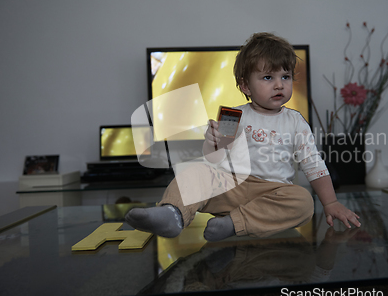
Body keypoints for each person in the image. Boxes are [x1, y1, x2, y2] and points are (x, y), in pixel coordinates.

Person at [126, 32, 361, 241]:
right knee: (194, 172)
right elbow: (215, 160)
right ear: (245, 86)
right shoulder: (234, 115)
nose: (279, 84)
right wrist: (213, 143)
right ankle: (173, 214)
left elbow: (313, 164)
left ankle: (233, 224)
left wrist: (330, 203)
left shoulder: (296, 122)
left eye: (286, 77)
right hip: (232, 187)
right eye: (268, 78)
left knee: (303, 202)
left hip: (273, 194)